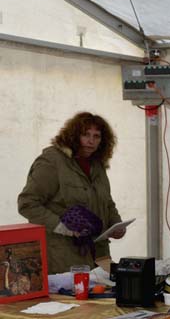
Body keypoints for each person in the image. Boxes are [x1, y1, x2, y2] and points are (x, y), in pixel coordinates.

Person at [18, 112, 126, 274]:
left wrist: (116, 224)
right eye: (85, 134)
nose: (91, 141)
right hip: (63, 257)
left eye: (96, 136)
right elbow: (27, 204)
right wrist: (64, 227)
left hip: (99, 255)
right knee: (73, 292)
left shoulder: (97, 164)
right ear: (73, 136)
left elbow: (107, 202)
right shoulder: (52, 160)